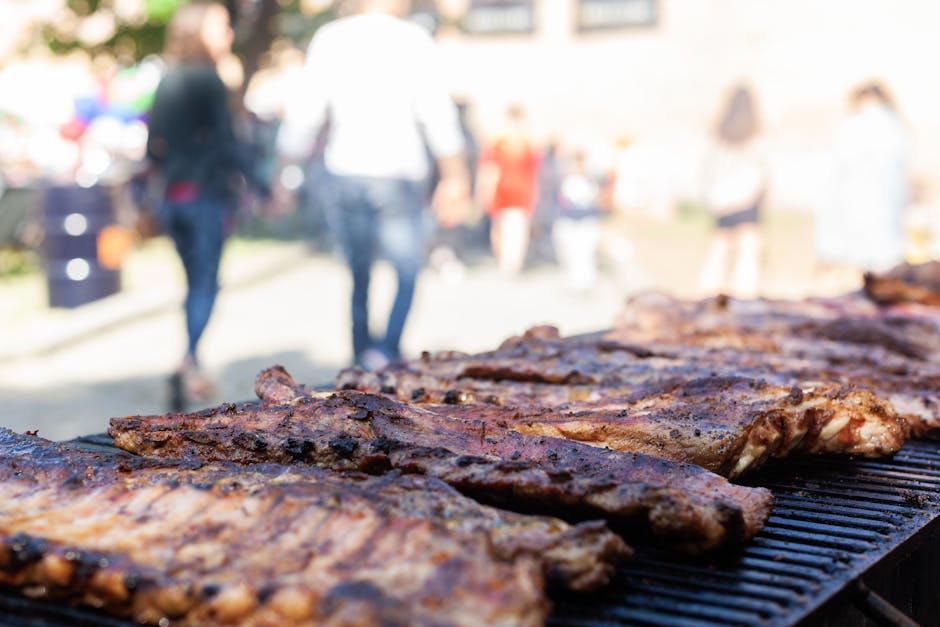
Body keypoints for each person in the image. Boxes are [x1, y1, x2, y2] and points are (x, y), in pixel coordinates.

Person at [274, 0, 470, 370]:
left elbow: (304, 114)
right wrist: (456, 176)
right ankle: (386, 349)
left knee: (359, 271)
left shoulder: (330, 38)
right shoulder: (413, 39)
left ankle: (362, 353)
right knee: (407, 268)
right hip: (397, 174)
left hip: (347, 172)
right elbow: (438, 116)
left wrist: (284, 171)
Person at [146, 2, 257, 407]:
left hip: (171, 200)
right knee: (206, 283)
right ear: (200, 32)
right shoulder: (210, 80)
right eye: (222, 27)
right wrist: (258, 184)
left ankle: (189, 360)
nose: (228, 34)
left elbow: (152, 147)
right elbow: (230, 144)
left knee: (193, 282)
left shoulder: (167, 78)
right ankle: (189, 362)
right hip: (205, 197)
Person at [820, 81, 911, 275]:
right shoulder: (891, 126)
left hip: (875, 203)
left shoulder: (883, 126)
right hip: (862, 202)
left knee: (878, 260)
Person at [697, 84, 768, 299]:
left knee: (720, 247)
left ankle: (709, 295)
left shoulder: (719, 132)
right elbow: (763, 169)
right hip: (747, 197)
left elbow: (708, 167)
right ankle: (744, 298)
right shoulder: (756, 132)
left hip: (723, 198)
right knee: (747, 250)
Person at [475, 104, 540, 275]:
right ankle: (508, 261)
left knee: (513, 227)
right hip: (505, 192)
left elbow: (534, 172)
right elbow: (489, 170)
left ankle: (510, 262)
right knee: (505, 227)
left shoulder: (525, 146)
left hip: (517, 192)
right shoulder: (501, 145)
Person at [552, 148, 608, 292]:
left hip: (586, 221)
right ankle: (572, 282)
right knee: (568, 253)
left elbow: (601, 201)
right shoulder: (561, 179)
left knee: (584, 254)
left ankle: (584, 284)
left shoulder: (593, 180)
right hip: (567, 221)